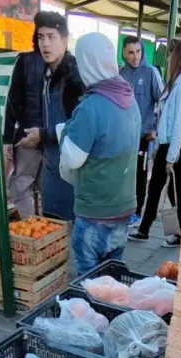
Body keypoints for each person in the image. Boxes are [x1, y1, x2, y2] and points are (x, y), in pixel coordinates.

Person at [60, 34, 140, 274]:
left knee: (89, 282)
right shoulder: (129, 99)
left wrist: (65, 130)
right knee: (112, 279)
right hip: (124, 209)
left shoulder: (90, 107)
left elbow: (73, 158)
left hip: (95, 211)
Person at [130, 39, 181, 247]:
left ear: (178, 57)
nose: (168, 59)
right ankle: (145, 229)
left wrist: (171, 156)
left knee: (172, 191)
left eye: (171, 54)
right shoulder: (178, 82)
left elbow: (180, 124)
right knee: (156, 187)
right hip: (171, 144)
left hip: (179, 145)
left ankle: (178, 234)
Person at [31, 12, 84, 221]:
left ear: (64, 40)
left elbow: (79, 127)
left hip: (72, 172)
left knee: (70, 228)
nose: (45, 44)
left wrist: (43, 134)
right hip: (51, 168)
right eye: (41, 37)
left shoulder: (74, 76)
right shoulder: (45, 74)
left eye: (51, 37)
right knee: (50, 229)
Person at [119, 35, 163, 225]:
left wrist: (155, 128)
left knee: (139, 175)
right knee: (123, 174)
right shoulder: (120, 74)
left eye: (138, 51)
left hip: (143, 137)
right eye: (131, 52)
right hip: (123, 136)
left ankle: (136, 213)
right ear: (124, 53)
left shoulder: (150, 73)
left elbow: (163, 102)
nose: (135, 56)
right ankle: (122, 210)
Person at [3, 27, 47, 217]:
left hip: (28, 135)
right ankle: (49, 229)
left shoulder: (24, 61)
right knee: (47, 188)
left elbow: (13, 100)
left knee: (20, 187)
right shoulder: (65, 64)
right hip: (52, 136)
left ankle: (32, 227)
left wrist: (7, 137)